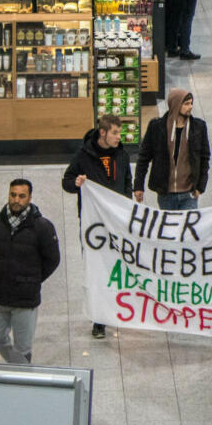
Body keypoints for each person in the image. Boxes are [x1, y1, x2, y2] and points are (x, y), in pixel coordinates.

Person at [62, 114, 131, 339]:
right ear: (103, 133)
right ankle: (98, 320)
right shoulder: (83, 156)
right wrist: (76, 183)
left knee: (116, 268)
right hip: (94, 227)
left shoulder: (121, 155)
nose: (119, 137)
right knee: (97, 271)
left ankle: (116, 308)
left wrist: (128, 208)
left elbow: (127, 184)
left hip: (117, 224)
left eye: (120, 133)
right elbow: (66, 181)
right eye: (115, 133)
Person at [0, 178, 59, 364]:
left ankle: (21, 371)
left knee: (23, 347)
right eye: (13, 195)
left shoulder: (42, 227)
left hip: (25, 299)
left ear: (30, 198)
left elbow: (52, 260)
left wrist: (33, 278)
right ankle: (18, 366)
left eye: (22, 196)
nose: (16, 199)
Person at [133, 88, 210, 210]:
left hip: (189, 194)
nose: (190, 107)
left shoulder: (199, 127)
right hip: (165, 193)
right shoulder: (157, 127)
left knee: (186, 223)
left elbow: (205, 158)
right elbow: (144, 158)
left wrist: (200, 187)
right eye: (186, 104)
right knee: (168, 223)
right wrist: (138, 185)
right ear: (176, 105)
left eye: (191, 103)